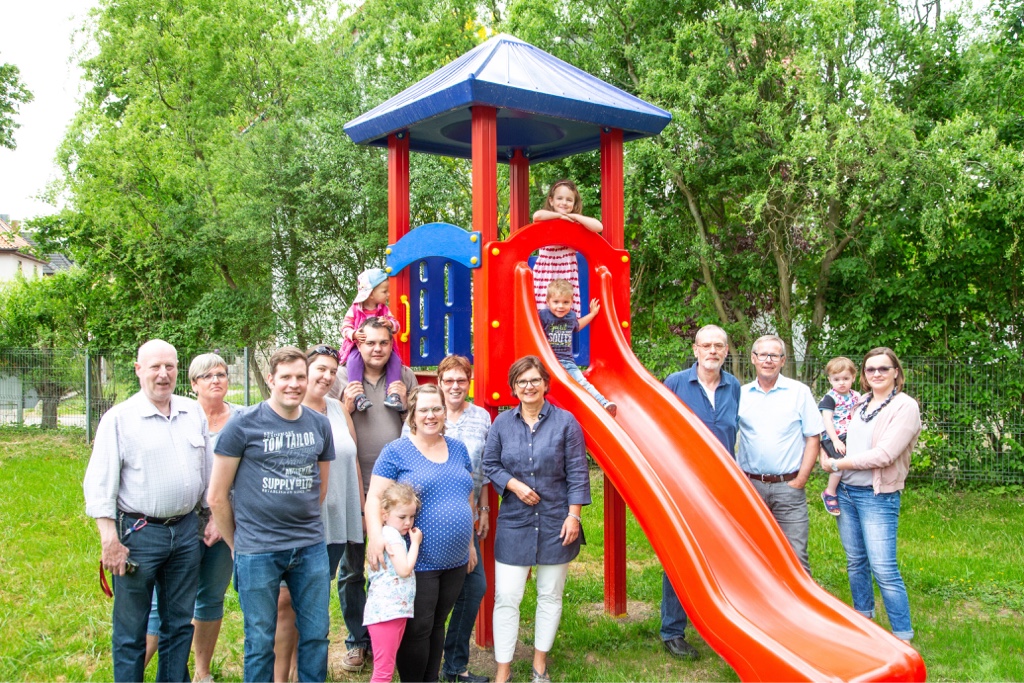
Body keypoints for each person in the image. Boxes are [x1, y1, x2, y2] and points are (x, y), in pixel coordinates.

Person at [83, 339, 209, 683]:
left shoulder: (191, 411)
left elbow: (207, 470)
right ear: (139, 370)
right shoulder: (120, 420)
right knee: (131, 630)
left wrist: (209, 516)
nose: (163, 374)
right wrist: (110, 540)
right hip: (138, 535)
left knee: (179, 624)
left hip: (185, 532)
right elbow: (99, 484)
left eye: (169, 366)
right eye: (155, 366)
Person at [208, 347, 335, 683]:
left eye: (300, 377)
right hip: (257, 550)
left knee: (316, 635)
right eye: (286, 377)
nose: (294, 384)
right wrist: (238, 546)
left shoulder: (320, 425)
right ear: (271, 380)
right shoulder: (242, 425)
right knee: (260, 642)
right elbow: (217, 496)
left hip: (310, 548)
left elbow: (319, 488)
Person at [483, 356, 592, 683]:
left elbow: (577, 473)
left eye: (534, 380)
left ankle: (539, 664)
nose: (528, 386)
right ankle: (503, 668)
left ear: (545, 383)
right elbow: (490, 464)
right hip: (515, 521)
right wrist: (513, 484)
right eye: (522, 381)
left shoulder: (566, 423)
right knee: (506, 597)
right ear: (513, 388)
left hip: (557, 520)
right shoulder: (501, 424)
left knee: (550, 594)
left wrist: (574, 515)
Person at [365, 384, 477, 682]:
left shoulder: (457, 448)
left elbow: (467, 495)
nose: (431, 415)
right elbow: (375, 497)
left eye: (437, 408)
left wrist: (470, 544)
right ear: (412, 415)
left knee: (438, 623)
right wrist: (375, 537)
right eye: (424, 409)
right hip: (417, 561)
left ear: (445, 411)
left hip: (454, 559)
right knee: (418, 629)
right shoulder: (397, 451)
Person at [329, 317, 419, 673]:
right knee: (353, 569)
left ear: (390, 345)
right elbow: (328, 423)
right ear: (359, 345)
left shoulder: (405, 376)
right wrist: (346, 407)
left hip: (395, 492)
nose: (377, 349)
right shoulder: (340, 377)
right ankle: (357, 640)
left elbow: (416, 421)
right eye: (370, 343)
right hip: (353, 485)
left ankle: (393, 634)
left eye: (384, 343)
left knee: (395, 566)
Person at [143, 353, 236, 683]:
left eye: (222, 374)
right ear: (193, 383)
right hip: (180, 525)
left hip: (224, 524)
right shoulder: (181, 417)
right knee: (161, 603)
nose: (216, 380)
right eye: (207, 375)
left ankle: (201, 672)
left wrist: (220, 519)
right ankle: (136, 671)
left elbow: (247, 473)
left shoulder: (242, 419)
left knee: (210, 598)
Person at [273, 345, 363, 683]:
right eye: (319, 369)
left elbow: (351, 458)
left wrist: (360, 509)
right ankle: (283, 672)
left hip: (338, 519)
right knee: (286, 603)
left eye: (331, 370)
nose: (326, 377)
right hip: (300, 522)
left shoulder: (339, 408)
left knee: (313, 600)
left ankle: (302, 667)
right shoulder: (289, 410)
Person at [400, 355, 492, 683]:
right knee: (427, 610)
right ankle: (425, 667)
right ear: (439, 383)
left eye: (461, 380)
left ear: (469, 383)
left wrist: (482, 509)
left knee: (473, 586)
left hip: (466, 515)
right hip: (426, 525)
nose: (455, 386)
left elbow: (481, 469)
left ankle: (454, 663)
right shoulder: (420, 418)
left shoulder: (481, 418)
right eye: (449, 380)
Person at [821, 348, 920, 641]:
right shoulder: (861, 402)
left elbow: (885, 455)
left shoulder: (905, 407)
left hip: (877, 496)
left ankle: (902, 635)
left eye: (883, 369)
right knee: (856, 561)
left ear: (896, 373)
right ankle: (863, 622)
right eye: (870, 369)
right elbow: (836, 431)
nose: (876, 374)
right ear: (863, 375)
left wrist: (837, 464)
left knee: (884, 569)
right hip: (847, 492)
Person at [659, 325, 741, 660]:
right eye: (706, 345)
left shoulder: (733, 386)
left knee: (722, 555)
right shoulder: (676, 383)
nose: (712, 351)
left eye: (718, 346)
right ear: (695, 350)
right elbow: (658, 429)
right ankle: (672, 630)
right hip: (684, 485)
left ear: (725, 351)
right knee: (681, 554)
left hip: (723, 485)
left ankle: (719, 621)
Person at [736, 335, 823, 574]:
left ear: (783, 361)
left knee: (796, 556)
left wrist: (802, 479)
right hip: (750, 486)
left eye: (774, 355)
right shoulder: (740, 394)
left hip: (789, 487)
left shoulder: (799, 392)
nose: (768, 360)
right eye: (763, 355)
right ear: (753, 359)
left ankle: (801, 610)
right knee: (751, 553)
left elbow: (813, 436)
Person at [364, 483, 423, 683]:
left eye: (411, 516)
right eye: (402, 517)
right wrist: (415, 543)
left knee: (385, 669)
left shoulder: (390, 534)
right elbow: (404, 570)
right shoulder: (391, 536)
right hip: (387, 613)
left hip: (393, 612)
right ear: (384, 514)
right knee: (383, 672)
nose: (408, 522)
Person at [539, 279, 616, 416]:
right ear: (548, 301)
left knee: (582, 382)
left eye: (565, 302)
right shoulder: (543, 315)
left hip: (567, 362)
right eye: (556, 302)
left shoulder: (571, 317)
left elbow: (577, 326)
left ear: (571, 302)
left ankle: (603, 403)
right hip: (547, 363)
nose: (560, 306)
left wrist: (592, 314)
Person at [531, 179, 603, 317]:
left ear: (574, 203)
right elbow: (537, 215)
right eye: (560, 198)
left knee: (566, 313)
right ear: (551, 201)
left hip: (566, 275)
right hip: (547, 273)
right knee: (542, 310)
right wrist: (560, 216)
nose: (564, 203)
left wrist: (575, 216)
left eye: (569, 200)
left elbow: (598, 227)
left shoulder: (575, 223)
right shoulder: (546, 219)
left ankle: (564, 338)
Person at [340, 268, 403, 412]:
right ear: (371, 294)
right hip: (359, 346)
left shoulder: (384, 310)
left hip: (377, 343)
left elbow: (396, 325)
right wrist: (354, 334)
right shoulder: (356, 309)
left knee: (395, 360)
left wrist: (390, 324)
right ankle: (358, 395)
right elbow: (345, 327)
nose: (388, 294)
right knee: (354, 360)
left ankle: (393, 394)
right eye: (384, 291)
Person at [818, 357, 862, 517]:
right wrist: (835, 440)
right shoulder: (830, 398)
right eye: (836, 379)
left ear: (853, 377)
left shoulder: (856, 396)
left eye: (845, 378)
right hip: (833, 436)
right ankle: (830, 492)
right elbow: (827, 419)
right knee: (838, 463)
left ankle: (849, 491)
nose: (841, 383)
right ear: (830, 380)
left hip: (850, 435)